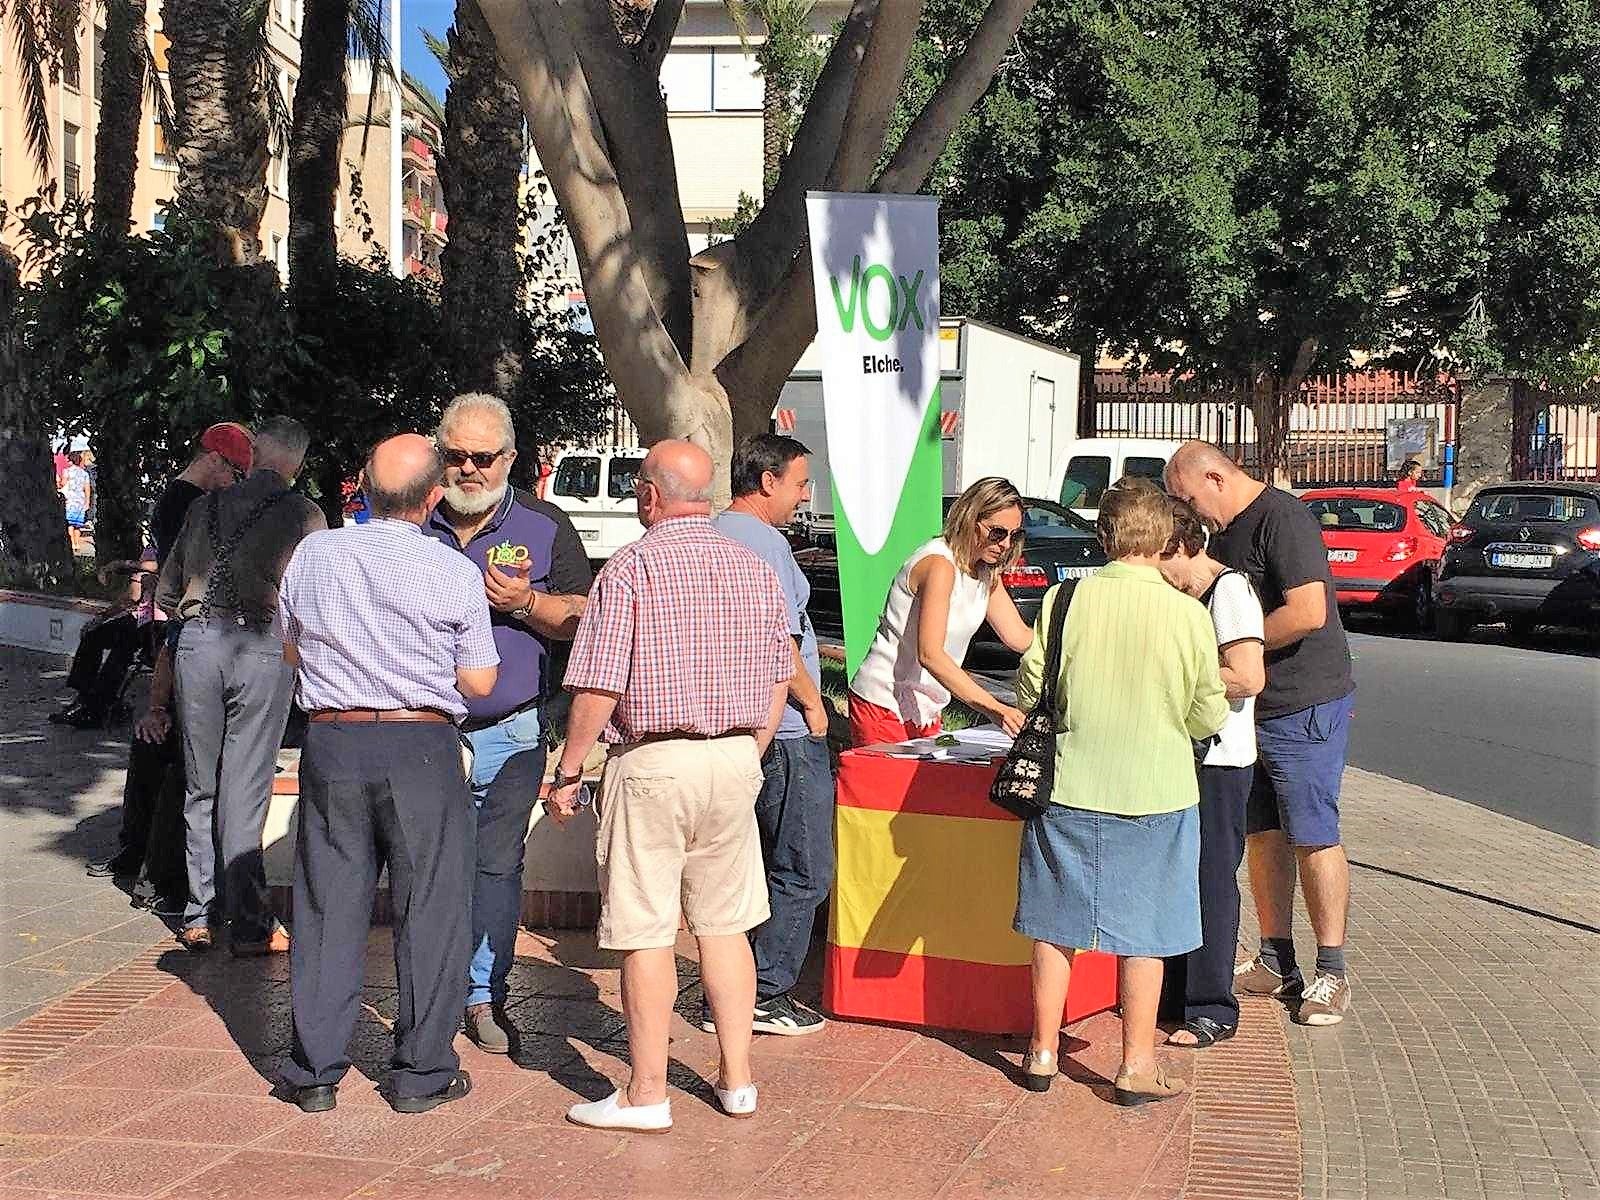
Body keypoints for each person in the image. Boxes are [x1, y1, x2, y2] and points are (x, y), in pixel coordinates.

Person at [547, 440, 793, 1132]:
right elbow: (782, 670)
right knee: (727, 925)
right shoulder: (752, 565)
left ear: (650, 496)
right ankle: (737, 1080)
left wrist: (570, 771)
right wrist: (753, 747)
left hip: (654, 760)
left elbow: (598, 686)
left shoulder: (631, 566)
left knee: (647, 930)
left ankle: (646, 1092)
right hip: (733, 758)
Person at [276, 434, 497, 1115]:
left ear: (363, 489)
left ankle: (314, 1072)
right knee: (430, 908)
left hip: (333, 738)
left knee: (325, 908)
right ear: (434, 498)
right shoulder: (452, 568)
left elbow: (290, 649)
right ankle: (420, 1073)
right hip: (420, 745)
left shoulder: (315, 553)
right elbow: (480, 679)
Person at [1012, 482, 1228, 1104]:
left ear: (1102, 537)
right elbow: (1207, 711)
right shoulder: (1189, 614)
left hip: (1069, 784)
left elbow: (1033, 687)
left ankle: (1042, 1051)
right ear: (1164, 539)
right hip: (1157, 791)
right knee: (1147, 934)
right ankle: (1134, 1065)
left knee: (1055, 926)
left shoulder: (1064, 598)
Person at [422, 393, 592, 1054]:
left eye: (482, 457)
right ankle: (432, 995)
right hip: (423, 730)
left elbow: (583, 619)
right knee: (427, 865)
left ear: (510, 459)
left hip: (510, 732)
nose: (468, 469)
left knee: (495, 867)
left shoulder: (546, 525)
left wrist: (525, 603)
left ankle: (483, 997)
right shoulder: (414, 520)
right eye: (456, 456)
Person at [1165, 441, 1357, 1027]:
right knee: (1263, 836)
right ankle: (1278, 959)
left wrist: (1236, 644)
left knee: (1312, 833)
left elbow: (1308, 611)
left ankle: (1332, 970)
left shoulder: (1283, 518)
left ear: (1216, 477)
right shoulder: (1218, 531)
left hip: (1304, 702)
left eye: (1189, 498)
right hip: (1251, 712)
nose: (1189, 512)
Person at [156, 416, 325, 955]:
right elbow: (315, 598)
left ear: (253, 453)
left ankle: (198, 914)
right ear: (296, 463)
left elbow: (166, 593)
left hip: (197, 644)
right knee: (245, 788)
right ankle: (249, 922)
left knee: (199, 786)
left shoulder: (204, 507)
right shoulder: (305, 514)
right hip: (260, 646)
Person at [708, 434, 834, 1036]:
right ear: (768, 482)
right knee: (804, 866)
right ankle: (767, 991)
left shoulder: (712, 534)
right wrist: (812, 703)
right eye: (801, 483)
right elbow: (778, 640)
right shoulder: (766, 545)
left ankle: (729, 990)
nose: (805, 495)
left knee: (749, 864)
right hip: (781, 729)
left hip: (733, 725)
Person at [1156, 498, 1266, 1048]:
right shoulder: (1188, 595)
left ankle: (1211, 1006)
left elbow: (1247, 676)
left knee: (1210, 880)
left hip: (1221, 760)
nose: (1160, 576)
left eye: (1162, 562)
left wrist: (1175, 673)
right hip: (1182, 753)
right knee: (1178, 876)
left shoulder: (1231, 593)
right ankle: (1173, 994)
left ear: (1182, 547)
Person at [61, 425, 254, 735]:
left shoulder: (180, 497)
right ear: (215, 459)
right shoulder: (193, 504)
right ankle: (95, 704)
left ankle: (95, 703)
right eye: (236, 471)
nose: (235, 481)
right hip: (188, 619)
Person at [846, 477, 1034, 745]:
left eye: (1014, 535)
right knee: (893, 786)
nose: (1005, 544)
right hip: (884, 701)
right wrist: (995, 709)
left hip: (926, 707)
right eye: (997, 532)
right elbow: (930, 654)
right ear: (970, 520)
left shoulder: (985, 572)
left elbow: (1019, 638)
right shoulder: (939, 565)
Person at [61, 449, 94, 549]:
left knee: (70, 524)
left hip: (69, 500)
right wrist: (87, 502)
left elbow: (63, 484)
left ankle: (72, 543)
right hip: (80, 500)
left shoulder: (67, 471)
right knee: (78, 525)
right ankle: (77, 543)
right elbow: (87, 489)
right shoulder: (84, 474)